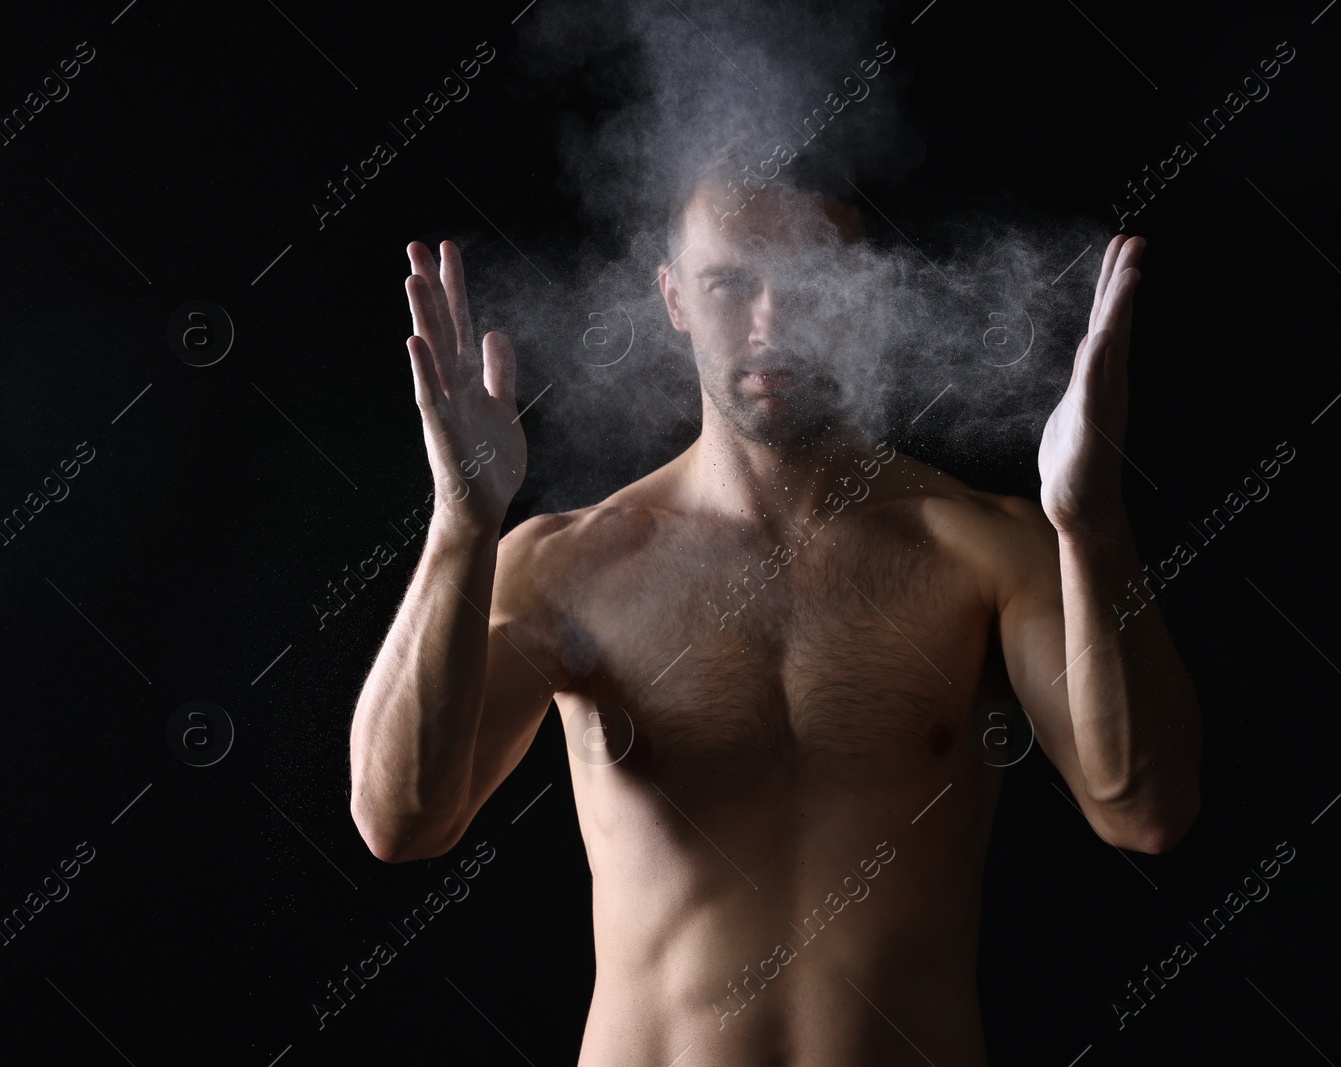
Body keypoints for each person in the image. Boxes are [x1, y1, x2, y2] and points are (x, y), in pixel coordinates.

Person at [348, 143, 1202, 1065]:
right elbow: (403, 819)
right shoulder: (569, 565)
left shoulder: (982, 550)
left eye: (814, 282)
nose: (773, 322)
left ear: (869, 291)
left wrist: (1092, 521)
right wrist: (459, 527)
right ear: (673, 297)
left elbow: (1144, 809)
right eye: (728, 284)